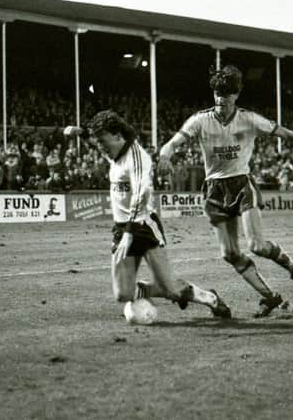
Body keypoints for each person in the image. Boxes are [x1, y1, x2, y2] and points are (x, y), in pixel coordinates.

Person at [158, 65, 293, 317]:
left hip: (241, 184)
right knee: (229, 254)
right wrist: (165, 156)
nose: (220, 98)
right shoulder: (200, 120)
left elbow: (290, 135)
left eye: (226, 94)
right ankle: (271, 297)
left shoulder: (249, 119)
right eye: (217, 92)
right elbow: (172, 143)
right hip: (214, 189)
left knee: (257, 245)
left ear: (236, 94)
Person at [65, 110, 231, 321]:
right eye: (97, 140)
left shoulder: (137, 157)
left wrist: (130, 232)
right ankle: (153, 292)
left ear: (117, 136)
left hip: (143, 227)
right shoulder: (113, 152)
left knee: (171, 289)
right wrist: (81, 132)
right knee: (122, 294)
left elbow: (142, 195)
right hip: (122, 228)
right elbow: (95, 141)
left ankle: (209, 298)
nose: (99, 145)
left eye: (102, 139)